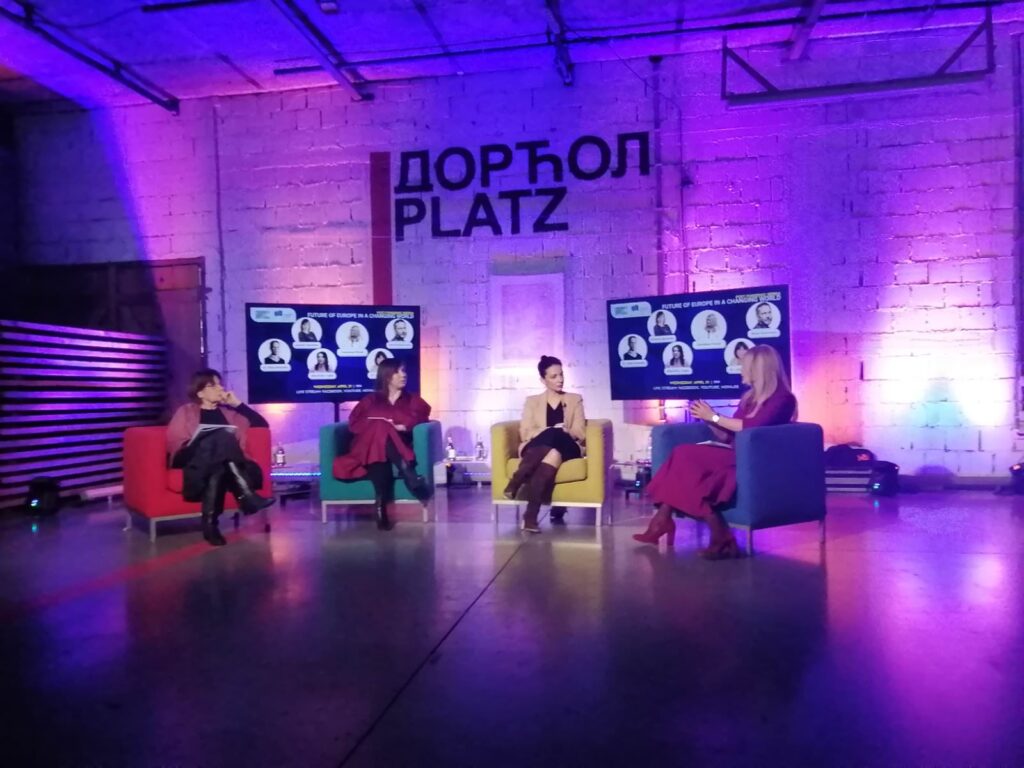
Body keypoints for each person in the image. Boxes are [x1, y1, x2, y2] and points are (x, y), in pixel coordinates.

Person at [633, 345, 796, 559]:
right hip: (734, 452)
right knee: (683, 459)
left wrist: (715, 417)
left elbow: (752, 428)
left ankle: (681, 523)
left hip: (752, 461)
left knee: (683, 456)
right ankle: (689, 526)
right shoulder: (749, 399)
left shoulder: (783, 400)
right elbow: (728, 435)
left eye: (744, 366)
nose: (740, 370)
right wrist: (708, 419)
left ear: (758, 369)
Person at [166, 369, 275, 547]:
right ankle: (246, 495)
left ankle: (210, 525)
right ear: (200, 393)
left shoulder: (229, 414)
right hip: (191, 460)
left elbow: (262, 424)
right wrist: (205, 441)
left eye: (220, 384)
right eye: (213, 385)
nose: (220, 388)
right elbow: (175, 442)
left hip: (219, 465)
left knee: (218, 467)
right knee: (221, 436)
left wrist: (237, 404)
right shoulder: (185, 412)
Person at [332, 359, 431, 530]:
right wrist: (379, 425)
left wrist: (404, 427)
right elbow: (354, 424)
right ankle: (408, 472)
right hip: (366, 444)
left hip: (397, 443)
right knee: (380, 427)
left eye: (404, 371)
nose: (403, 375)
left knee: (380, 449)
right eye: (397, 372)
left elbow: (422, 417)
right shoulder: (370, 400)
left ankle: (380, 505)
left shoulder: (413, 400)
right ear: (386, 376)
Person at [503, 355, 586, 532]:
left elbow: (580, 432)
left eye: (561, 374)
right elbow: (526, 432)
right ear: (543, 380)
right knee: (553, 452)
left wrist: (564, 430)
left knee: (557, 434)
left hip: (569, 446)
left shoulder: (575, 399)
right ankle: (530, 517)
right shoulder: (532, 402)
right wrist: (548, 430)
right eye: (554, 376)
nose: (560, 379)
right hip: (540, 447)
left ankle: (517, 480)